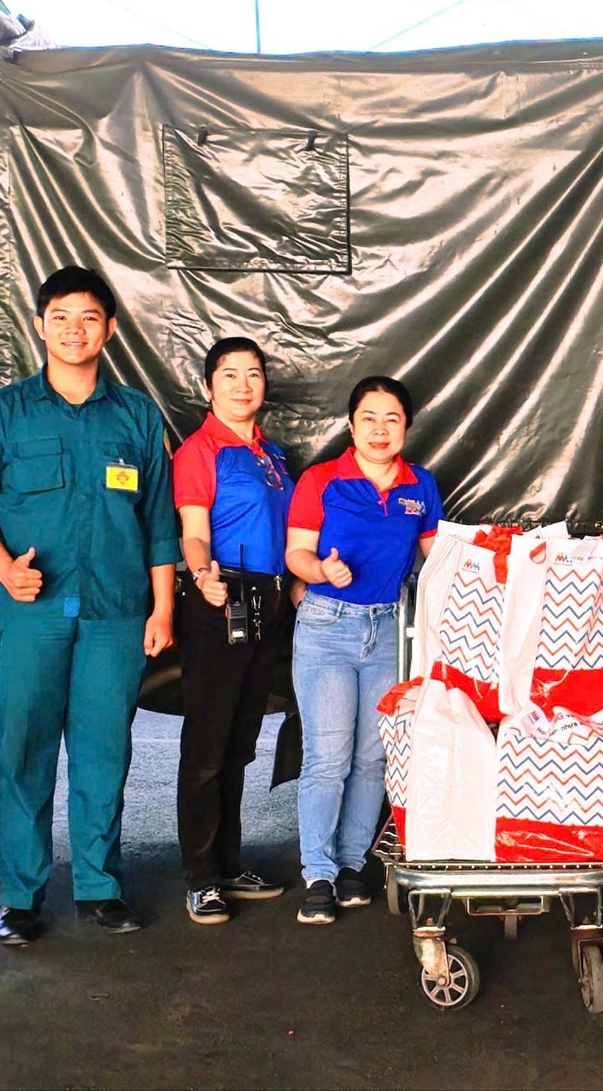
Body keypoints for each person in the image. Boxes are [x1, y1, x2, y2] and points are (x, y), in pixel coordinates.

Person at [0, 265, 178, 946]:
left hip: (116, 615)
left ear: (110, 329)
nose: (74, 330)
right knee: (24, 752)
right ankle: (21, 895)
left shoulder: (137, 416)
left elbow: (158, 520)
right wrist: (2, 569)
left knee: (104, 753)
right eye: (61, 317)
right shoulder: (3, 414)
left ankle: (100, 886)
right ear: (40, 326)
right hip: (29, 616)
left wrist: (162, 609)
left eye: (89, 318)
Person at [286, 376, 440, 924]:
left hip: (389, 629)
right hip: (327, 626)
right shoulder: (322, 480)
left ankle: (352, 864)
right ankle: (318, 874)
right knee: (328, 757)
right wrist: (320, 571)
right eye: (368, 418)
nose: (380, 429)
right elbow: (296, 554)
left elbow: (436, 558)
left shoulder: (421, 485)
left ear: (406, 428)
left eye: (392, 419)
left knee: (373, 757)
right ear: (351, 426)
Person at [173, 337, 295, 924]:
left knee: (241, 741)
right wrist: (202, 575)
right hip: (223, 596)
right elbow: (194, 531)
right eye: (229, 374)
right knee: (208, 746)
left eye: (253, 374)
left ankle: (228, 863)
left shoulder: (273, 456)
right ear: (208, 386)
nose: (243, 385)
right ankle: (201, 879)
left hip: (271, 601)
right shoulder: (200, 450)